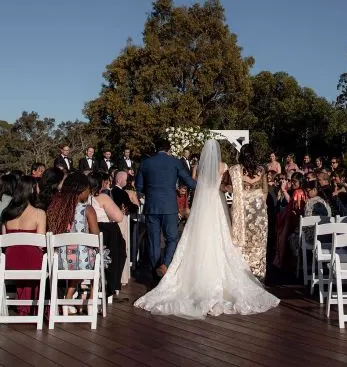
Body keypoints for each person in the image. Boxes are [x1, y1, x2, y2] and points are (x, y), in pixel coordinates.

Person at [134, 139, 280, 319]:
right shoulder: (223, 166)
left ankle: (156, 271)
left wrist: (204, 187)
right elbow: (224, 186)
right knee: (206, 236)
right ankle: (165, 266)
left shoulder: (159, 163)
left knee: (161, 239)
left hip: (179, 206)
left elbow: (144, 186)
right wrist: (214, 188)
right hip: (211, 204)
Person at [136, 136, 197, 279]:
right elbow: (189, 182)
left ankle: (155, 273)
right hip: (169, 206)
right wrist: (206, 185)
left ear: (155, 148)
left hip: (151, 206)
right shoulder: (175, 162)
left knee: (153, 241)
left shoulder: (145, 163)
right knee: (172, 238)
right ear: (169, 149)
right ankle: (166, 265)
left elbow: (139, 187)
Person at [46, 172, 100, 315]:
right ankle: (91, 299)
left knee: (74, 257)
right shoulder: (87, 209)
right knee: (100, 258)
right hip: (83, 261)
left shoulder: (55, 209)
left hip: (60, 261)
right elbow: (96, 238)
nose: (89, 193)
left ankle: (68, 298)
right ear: (81, 190)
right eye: (88, 189)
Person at [0, 175, 47, 315]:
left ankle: (22, 306)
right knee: (39, 258)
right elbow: (40, 244)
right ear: (32, 190)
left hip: (10, 261)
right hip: (32, 263)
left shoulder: (6, 213)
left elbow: (4, 240)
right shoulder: (39, 213)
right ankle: (35, 306)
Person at [228, 143, 269, 281]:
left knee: (243, 243)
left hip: (243, 209)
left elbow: (229, 188)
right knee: (259, 243)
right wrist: (259, 204)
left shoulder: (235, 170)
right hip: (259, 211)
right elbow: (265, 191)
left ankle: (243, 277)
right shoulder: (261, 170)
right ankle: (258, 275)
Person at [88, 171, 126, 297]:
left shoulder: (80, 198)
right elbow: (119, 217)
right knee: (120, 248)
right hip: (105, 235)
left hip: (87, 235)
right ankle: (110, 284)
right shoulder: (102, 198)